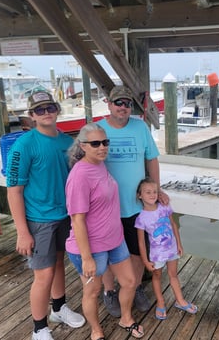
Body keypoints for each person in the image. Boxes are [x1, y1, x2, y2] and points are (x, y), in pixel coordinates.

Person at [6, 91, 85, 340]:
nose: (46, 112)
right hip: (39, 220)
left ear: (57, 109)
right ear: (32, 116)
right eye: (39, 110)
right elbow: (14, 190)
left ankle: (59, 307)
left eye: (50, 107)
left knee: (59, 264)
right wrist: (22, 231)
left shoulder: (67, 143)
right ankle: (39, 328)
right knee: (44, 274)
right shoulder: (23, 145)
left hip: (65, 216)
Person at [65, 123, 144, 340]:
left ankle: (126, 318)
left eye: (105, 142)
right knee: (92, 291)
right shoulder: (79, 175)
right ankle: (96, 331)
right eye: (95, 143)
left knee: (129, 282)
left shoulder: (100, 164)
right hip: (90, 247)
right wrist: (87, 257)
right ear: (83, 146)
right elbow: (77, 220)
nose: (102, 147)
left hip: (114, 240)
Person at [97, 85, 169, 317]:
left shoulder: (140, 127)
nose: (123, 107)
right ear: (108, 103)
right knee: (106, 253)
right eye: (118, 103)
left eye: (127, 104)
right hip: (105, 208)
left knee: (138, 252)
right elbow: (83, 163)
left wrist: (155, 190)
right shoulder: (98, 130)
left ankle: (136, 287)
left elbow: (152, 160)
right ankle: (109, 291)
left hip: (136, 206)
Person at [135, 177, 197, 320]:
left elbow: (174, 225)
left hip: (172, 250)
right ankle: (161, 302)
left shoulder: (165, 207)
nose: (152, 195)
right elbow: (141, 243)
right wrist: (145, 261)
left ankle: (180, 300)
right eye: (148, 192)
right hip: (157, 255)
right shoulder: (141, 218)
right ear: (140, 195)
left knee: (173, 274)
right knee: (156, 276)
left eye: (155, 192)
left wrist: (179, 244)